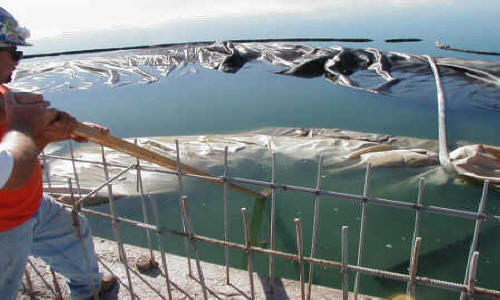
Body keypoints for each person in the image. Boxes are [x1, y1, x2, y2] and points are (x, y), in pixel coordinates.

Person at [0, 7, 116, 299]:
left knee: (74, 231)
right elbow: (11, 169)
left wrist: (55, 131)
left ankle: (88, 287)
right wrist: (27, 127)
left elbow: (21, 150)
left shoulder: (4, 95)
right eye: (12, 51)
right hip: (5, 226)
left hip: (30, 205)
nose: (18, 59)